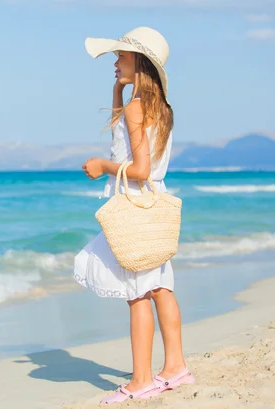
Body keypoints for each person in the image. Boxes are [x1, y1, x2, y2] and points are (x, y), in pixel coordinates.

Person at [74, 27, 194, 404]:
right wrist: (117, 90)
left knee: (137, 293)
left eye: (121, 57)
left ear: (138, 63)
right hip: (153, 203)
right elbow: (130, 141)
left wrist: (102, 165)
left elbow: (137, 167)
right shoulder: (159, 108)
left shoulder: (136, 108)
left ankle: (141, 380)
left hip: (134, 204)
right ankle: (175, 367)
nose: (115, 62)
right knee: (160, 288)